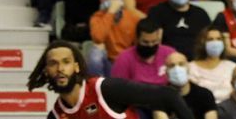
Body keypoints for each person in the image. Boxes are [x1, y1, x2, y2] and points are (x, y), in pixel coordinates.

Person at [27, 40, 194, 119]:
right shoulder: (57, 115)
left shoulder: (105, 89)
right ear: (46, 71)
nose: (60, 69)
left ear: (76, 67)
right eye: (53, 64)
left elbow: (168, 95)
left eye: (66, 62)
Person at [148, 0, 212, 60]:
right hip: (167, 62)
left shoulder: (201, 14)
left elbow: (208, 41)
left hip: (196, 63)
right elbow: (153, 43)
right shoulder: (156, 12)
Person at [88, 0, 144, 77]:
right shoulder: (96, 17)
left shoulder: (132, 17)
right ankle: (96, 87)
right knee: (95, 53)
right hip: (108, 63)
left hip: (126, 63)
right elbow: (98, 38)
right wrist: (111, 12)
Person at [113, 18, 177, 85]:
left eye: (154, 41)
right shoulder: (124, 58)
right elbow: (118, 87)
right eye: (145, 42)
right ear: (136, 39)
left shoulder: (170, 54)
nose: (150, 45)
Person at [159, 51, 219, 119]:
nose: (177, 69)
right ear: (166, 71)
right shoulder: (160, 97)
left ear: (188, 67)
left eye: (181, 64)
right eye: (172, 66)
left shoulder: (205, 95)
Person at [188, 29, 236, 104]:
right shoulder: (191, 67)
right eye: (210, 39)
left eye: (218, 39)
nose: (215, 42)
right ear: (202, 43)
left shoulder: (232, 67)